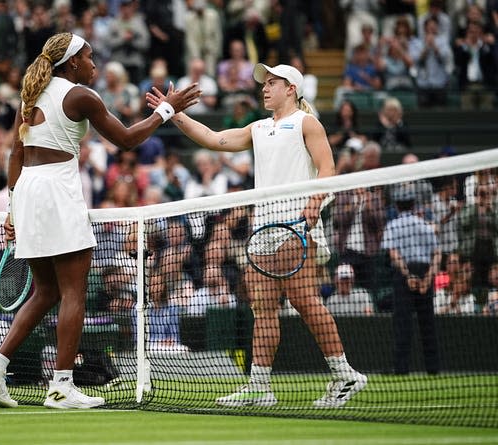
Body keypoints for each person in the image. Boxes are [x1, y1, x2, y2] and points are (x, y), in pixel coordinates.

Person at [0, 32, 200, 410]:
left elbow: (15, 153)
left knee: (46, 292)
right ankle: (61, 386)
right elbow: (126, 140)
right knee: (73, 290)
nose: (94, 65)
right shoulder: (81, 96)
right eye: (90, 58)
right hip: (56, 191)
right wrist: (166, 110)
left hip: (27, 189)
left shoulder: (30, 96)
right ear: (72, 62)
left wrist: (12, 208)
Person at [148, 63, 367, 408]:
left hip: (296, 224)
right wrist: (174, 113)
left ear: (291, 88)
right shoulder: (259, 127)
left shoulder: (307, 123)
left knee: (304, 300)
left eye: (272, 83)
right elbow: (215, 139)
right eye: (264, 84)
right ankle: (259, 387)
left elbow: (327, 168)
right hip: (263, 228)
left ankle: (345, 375)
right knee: (263, 309)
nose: (265, 88)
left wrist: (313, 205)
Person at [381, 183, 441, 375]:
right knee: (427, 323)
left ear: (397, 205)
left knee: (402, 323)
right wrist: (427, 279)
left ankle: (401, 369)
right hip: (425, 272)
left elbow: (393, 253)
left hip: (404, 276)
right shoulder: (425, 225)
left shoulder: (393, 225)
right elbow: (437, 253)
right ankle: (433, 369)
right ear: (413, 205)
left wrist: (408, 275)